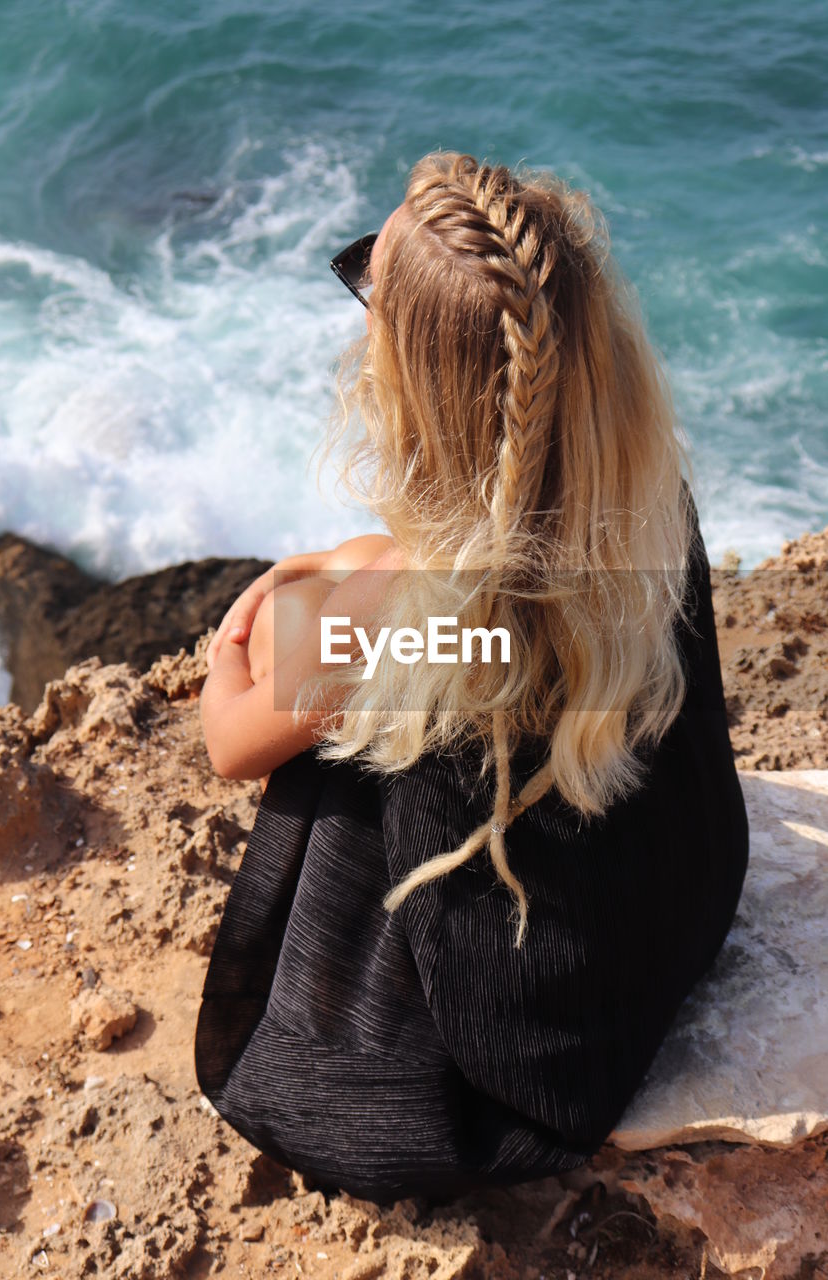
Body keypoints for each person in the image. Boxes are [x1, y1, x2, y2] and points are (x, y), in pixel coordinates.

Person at [195, 151, 749, 1204]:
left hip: (528, 1046)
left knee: (303, 663)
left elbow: (229, 740)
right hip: (673, 901)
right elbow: (450, 566)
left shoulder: (414, 619)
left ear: (412, 364)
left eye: (371, 284)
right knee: (352, 613)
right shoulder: (640, 492)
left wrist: (246, 620)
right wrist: (355, 568)